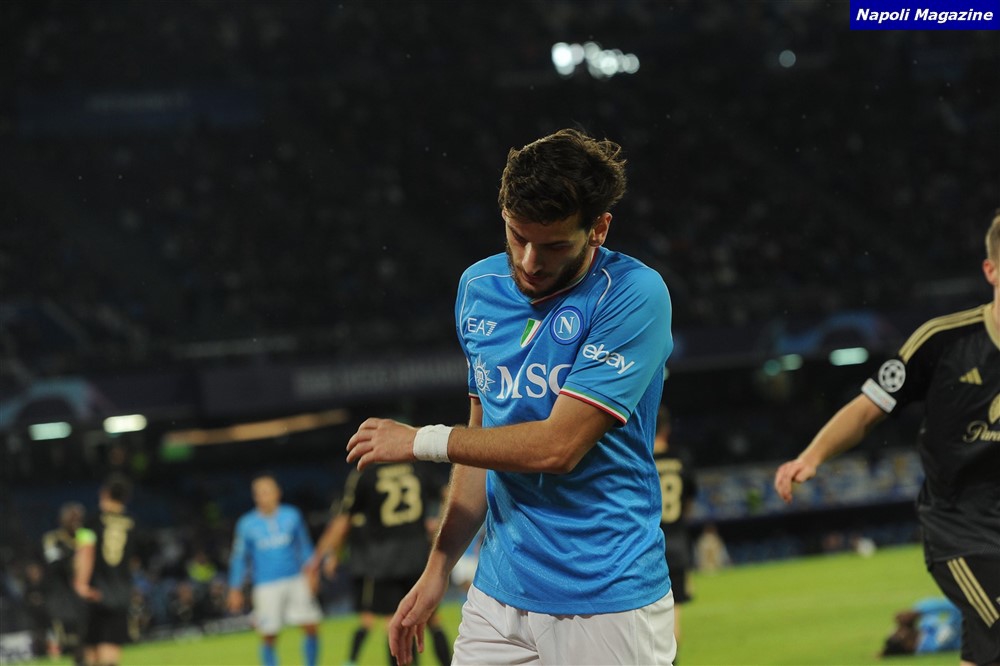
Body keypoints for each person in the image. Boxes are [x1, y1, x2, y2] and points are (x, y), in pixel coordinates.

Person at [346, 128, 676, 665]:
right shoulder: (477, 289)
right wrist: (437, 570)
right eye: (517, 236)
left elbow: (558, 447)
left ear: (598, 229)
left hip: (605, 595)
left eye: (554, 246)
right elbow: (482, 441)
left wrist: (422, 441)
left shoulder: (633, 295)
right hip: (499, 594)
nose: (529, 261)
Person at [774, 212, 1000, 666]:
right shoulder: (943, 342)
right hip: (961, 527)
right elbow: (868, 407)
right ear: (990, 270)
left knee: (985, 651)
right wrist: (812, 456)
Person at [306, 462, 451, 665]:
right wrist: (439, 525)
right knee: (433, 620)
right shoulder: (418, 467)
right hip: (418, 555)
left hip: (385, 562)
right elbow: (449, 494)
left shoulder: (366, 474)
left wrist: (319, 558)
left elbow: (342, 522)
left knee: (396, 623)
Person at [227, 473, 322, 666]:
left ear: (277, 493)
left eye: (267, 491)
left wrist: (312, 573)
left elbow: (304, 547)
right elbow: (239, 558)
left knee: (311, 626)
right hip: (266, 584)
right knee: (268, 634)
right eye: (259, 493)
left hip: (295, 579)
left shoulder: (292, 515)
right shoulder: (246, 524)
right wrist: (235, 588)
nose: (264, 496)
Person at [74, 474, 138, 666]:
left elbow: (85, 552)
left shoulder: (92, 521)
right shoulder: (132, 523)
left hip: (97, 591)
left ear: (105, 493)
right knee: (111, 643)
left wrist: (81, 584)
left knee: (92, 646)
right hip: (122, 592)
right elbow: (133, 560)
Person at [654, 405, 698, 652]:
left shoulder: (641, 458)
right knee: (674, 616)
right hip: (678, 543)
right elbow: (689, 501)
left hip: (648, 543)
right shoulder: (681, 459)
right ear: (667, 429)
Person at [42, 501, 86, 665]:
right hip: (62, 597)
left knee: (86, 636)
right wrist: (76, 559)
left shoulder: (86, 537)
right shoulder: (53, 539)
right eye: (72, 518)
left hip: (83, 595)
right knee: (68, 638)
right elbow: (53, 563)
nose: (76, 522)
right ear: (62, 520)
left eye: (78, 518)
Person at [880, 597, 962, 658]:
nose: (902, 628)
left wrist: (915, 611)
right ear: (908, 645)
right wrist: (920, 611)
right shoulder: (937, 642)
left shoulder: (924, 630)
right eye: (899, 632)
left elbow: (934, 605)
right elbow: (959, 608)